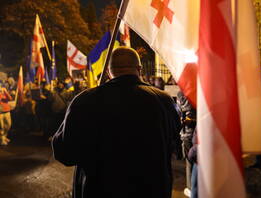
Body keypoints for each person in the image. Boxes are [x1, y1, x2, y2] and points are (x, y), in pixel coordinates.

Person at [51, 47, 181, 198]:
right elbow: (174, 140)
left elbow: (65, 153)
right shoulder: (164, 100)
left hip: (99, 190)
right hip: (151, 189)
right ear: (139, 69)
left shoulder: (85, 100)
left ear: (108, 71)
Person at [176, 91, 196, 196]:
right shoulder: (198, 92)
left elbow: (178, 114)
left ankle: (191, 188)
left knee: (190, 163)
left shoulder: (180, 94)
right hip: (199, 133)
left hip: (186, 133)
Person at [0, 81, 13, 146]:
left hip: (7, 111)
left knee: (8, 125)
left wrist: (6, 92)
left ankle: (4, 136)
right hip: (0, 113)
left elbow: (10, 99)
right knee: (1, 127)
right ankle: (2, 140)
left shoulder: (4, 93)